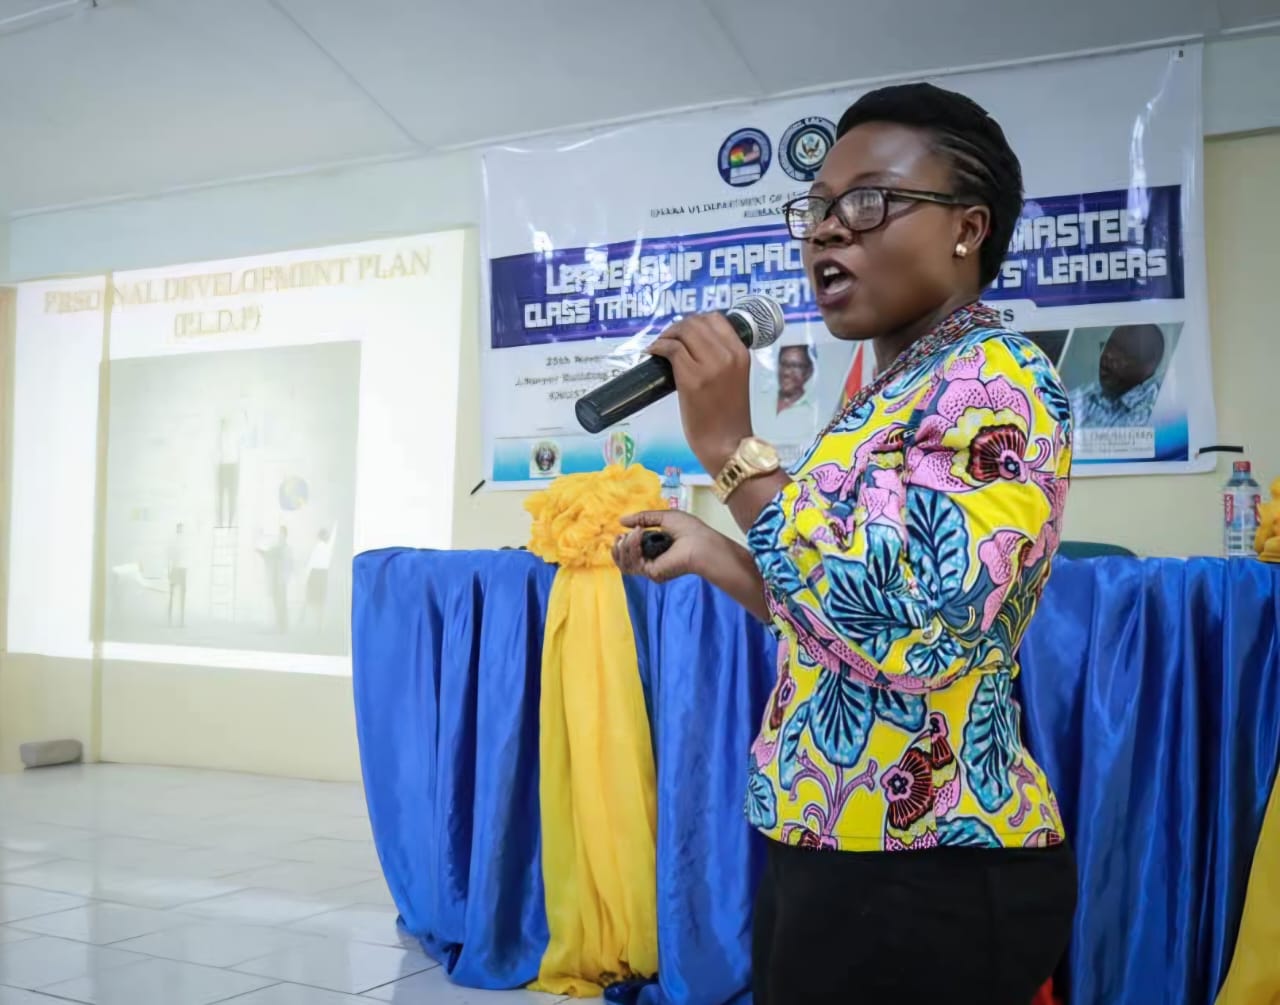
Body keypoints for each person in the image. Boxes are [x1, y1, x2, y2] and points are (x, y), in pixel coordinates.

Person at [612, 83, 1076, 1004]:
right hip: (830, 830)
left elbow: (920, 626)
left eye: (867, 202)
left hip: (929, 859)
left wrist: (729, 451)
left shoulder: (999, 379)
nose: (827, 230)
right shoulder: (888, 393)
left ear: (967, 227)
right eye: (817, 208)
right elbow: (842, 617)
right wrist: (714, 550)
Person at [1070, 323, 1165, 427]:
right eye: (1109, 346)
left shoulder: (1157, 411)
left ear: (1149, 366)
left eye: (1124, 352)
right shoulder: (1090, 394)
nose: (1108, 355)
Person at [754, 345, 819, 466]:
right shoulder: (759, 403)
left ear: (808, 372)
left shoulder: (816, 415)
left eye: (795, 366)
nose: (787, 372)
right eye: (784, 364)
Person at [303, 525, 335, 630]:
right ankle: (318, 625)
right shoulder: (327, 547)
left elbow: (311, 563)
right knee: (320, 601)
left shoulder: (319, 547)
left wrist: (306, 576)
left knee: (310, 599)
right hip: (322, 575)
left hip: (316, 574)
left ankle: (304, 619)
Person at [216, 416, 241, 527]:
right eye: (223, 423)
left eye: (226, 423)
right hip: (223, 466)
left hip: (231, 466)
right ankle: (221, 523)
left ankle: (230, 523)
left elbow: (237, 455)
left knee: (232, 497)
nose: (225, 426)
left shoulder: (234, 436)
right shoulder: (219, 437)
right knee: (221, 497)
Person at [166, 523, 189, 628]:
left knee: (181, 595)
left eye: (181, 529)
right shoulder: (175, 542)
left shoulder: (183, 542)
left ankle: (181, 619)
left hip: (182, 569)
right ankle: (170, 618)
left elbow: (185, 555)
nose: (180, 530)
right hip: (176, 568)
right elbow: (169, 556)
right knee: (172, 595)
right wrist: (169, 570)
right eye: (179, 528)